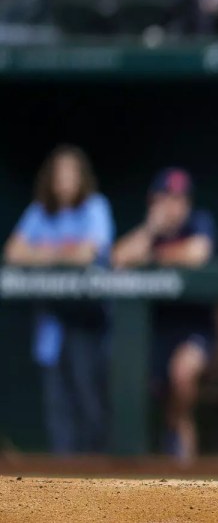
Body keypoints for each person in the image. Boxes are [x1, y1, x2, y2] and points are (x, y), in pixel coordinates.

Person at [4, 145, 114, 455]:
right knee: (57, 403)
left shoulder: (95, 206)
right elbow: (13, 252)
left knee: (89, 400)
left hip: (87, 319)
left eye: (71, 174)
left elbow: (89, 252)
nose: (64, 181)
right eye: (58, 175)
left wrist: (41, 254)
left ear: (82, 178)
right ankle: (63, 480)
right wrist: (61, 253)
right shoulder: (41, 211)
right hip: (51, 321)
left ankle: (97, 475)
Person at [111, 168, 218, 466]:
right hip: (154, 332)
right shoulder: (149, 232)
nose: (175, 206)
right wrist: (150, 230)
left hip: (194, 329)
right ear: (154, 201)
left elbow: (198, 254)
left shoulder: (199, 222)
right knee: (125, 374)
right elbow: (117, 257)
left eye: (181, 198)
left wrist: (152, 257)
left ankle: (179, 433)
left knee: (182, 373)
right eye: (168, 198)